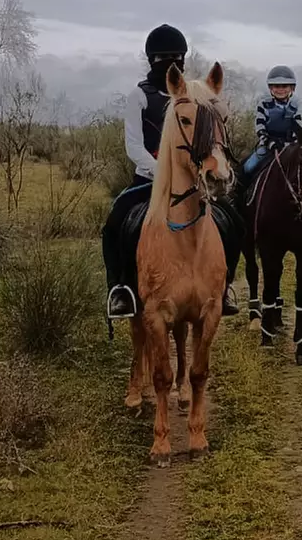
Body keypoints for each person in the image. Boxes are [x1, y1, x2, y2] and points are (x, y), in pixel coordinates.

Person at [101, 24, 240, 320]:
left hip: (194, 179)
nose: (170, 62)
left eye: (176, 57)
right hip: (148, 179)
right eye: (163, 58)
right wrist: (162, 172)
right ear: (151, 60)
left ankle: (224, 285)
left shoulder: (193, 94)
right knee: (115, 223)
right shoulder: (139, 95)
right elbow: (134, 146)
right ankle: (121, 289)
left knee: (233, 220)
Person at [243, 65, 302, 177]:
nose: (280, 89)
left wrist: (288, 145)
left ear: (292, 88)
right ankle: (238, 187)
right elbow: (260, 127)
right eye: (276, 86)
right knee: (248, 167)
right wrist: (270, 142)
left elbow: (298, 130)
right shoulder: (264, 105)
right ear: (271, 88)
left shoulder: (296, 108)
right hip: (267, 146)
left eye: (284, 86)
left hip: (289, 148)